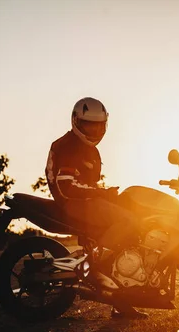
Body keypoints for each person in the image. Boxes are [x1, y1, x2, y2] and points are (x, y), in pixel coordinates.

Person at [45, 96, 147, 320]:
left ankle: (121, 300)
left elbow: (88, 184)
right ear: (76, 121)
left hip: (85, 201)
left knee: (132, 220)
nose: (94, 129)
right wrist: (102, 193)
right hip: (72, 202)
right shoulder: (69, 145)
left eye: (99, 124)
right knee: (129, 222)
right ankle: (95, 267)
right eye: (89, 123)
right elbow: (68, 186)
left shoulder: (91, 150)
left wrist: (108, 193)